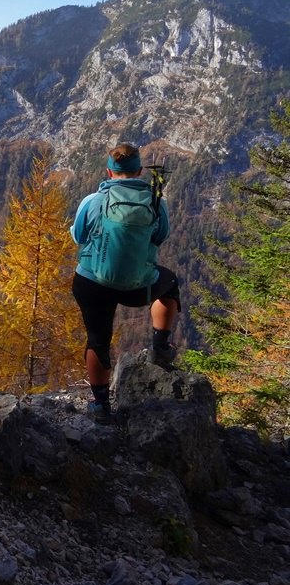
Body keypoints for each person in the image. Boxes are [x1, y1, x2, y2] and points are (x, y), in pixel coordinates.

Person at [70, 143, 181, 423]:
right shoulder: (156, 202)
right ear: (140, 171)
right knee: (170, 283)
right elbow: (160, 237)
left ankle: (99, 404)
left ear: (109, 171)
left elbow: (79, 237)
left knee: (98, 339)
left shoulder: (93, 201)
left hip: (92, 283)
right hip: (136, 285)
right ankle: (160, 347)